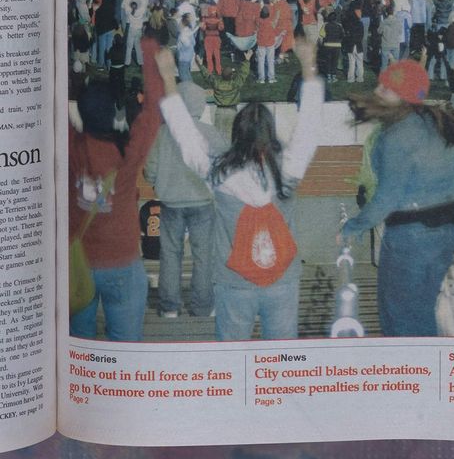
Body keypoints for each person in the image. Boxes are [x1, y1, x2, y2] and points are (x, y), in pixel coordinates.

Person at [154, 39, 324, 341]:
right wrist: (308, 67)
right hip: (282, 280)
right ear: (270, 134)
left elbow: (185, 133)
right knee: (281, 359)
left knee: (231, 359)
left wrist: (168, 77)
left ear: (237, 133)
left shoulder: (220, 173)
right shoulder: (288, 170)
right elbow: (310, 126)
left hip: (234, 282)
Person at [341, 59, 454, 336]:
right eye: (381, 83)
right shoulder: (435, 122)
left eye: (387, 88)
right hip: (448, 228)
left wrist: (354, 226)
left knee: (401, 318)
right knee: (420, 311)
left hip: (412, 236)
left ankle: (414, 375)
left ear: (406, 96)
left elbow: (388, 197)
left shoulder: (397, 135)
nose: (378, 89)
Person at [69, 37, 162, 341]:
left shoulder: (70, 148)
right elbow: (151, 114)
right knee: (125, 345)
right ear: (115, 114)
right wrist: (149, 52)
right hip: (122, 263)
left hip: (78, 262)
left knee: (78, 341)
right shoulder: (127, 157)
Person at [144, 80, 225, 318]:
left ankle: (169, 306)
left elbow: (150, 169)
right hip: (202, 202)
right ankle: (202, 306)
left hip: (170, 203)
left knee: (170, 254)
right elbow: (226, 164)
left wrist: (158, 182)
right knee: (204, 256)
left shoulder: (162, 133)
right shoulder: (210, 134)